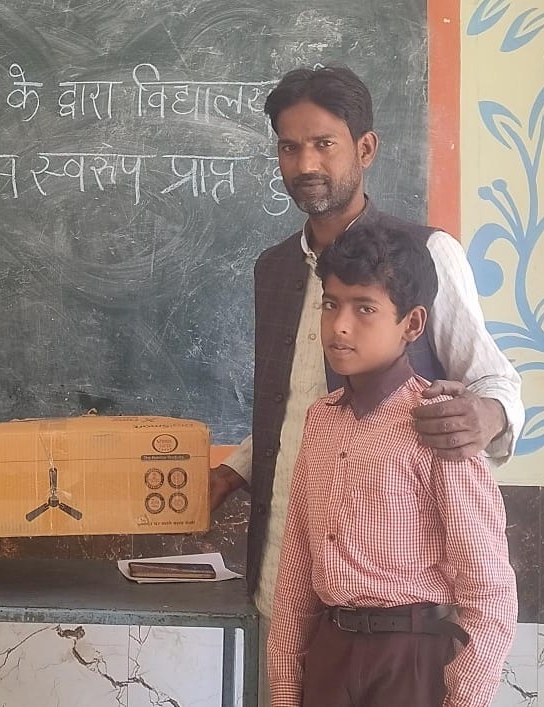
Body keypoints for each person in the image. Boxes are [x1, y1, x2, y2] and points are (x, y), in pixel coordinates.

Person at [208, 65, 523, 696]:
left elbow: (493, 379)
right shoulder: (274, 268)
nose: (306, 164)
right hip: (291, 567)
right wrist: (233, 471)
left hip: (401, 607)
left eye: (324, 143)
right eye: (290, 147)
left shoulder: (426, 255)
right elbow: (294, 403)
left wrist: (484, 416)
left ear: (366, 148)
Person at [268, 222, 517, 707]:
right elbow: (296, 568)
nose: (340, 326)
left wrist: (463, 699)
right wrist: (284, 689)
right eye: (331, 304)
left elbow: (489, 594)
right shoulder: (321, 419)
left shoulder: (438, 426)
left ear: (413, 325)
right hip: (330, 651)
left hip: (412, 657)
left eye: (365, 308)